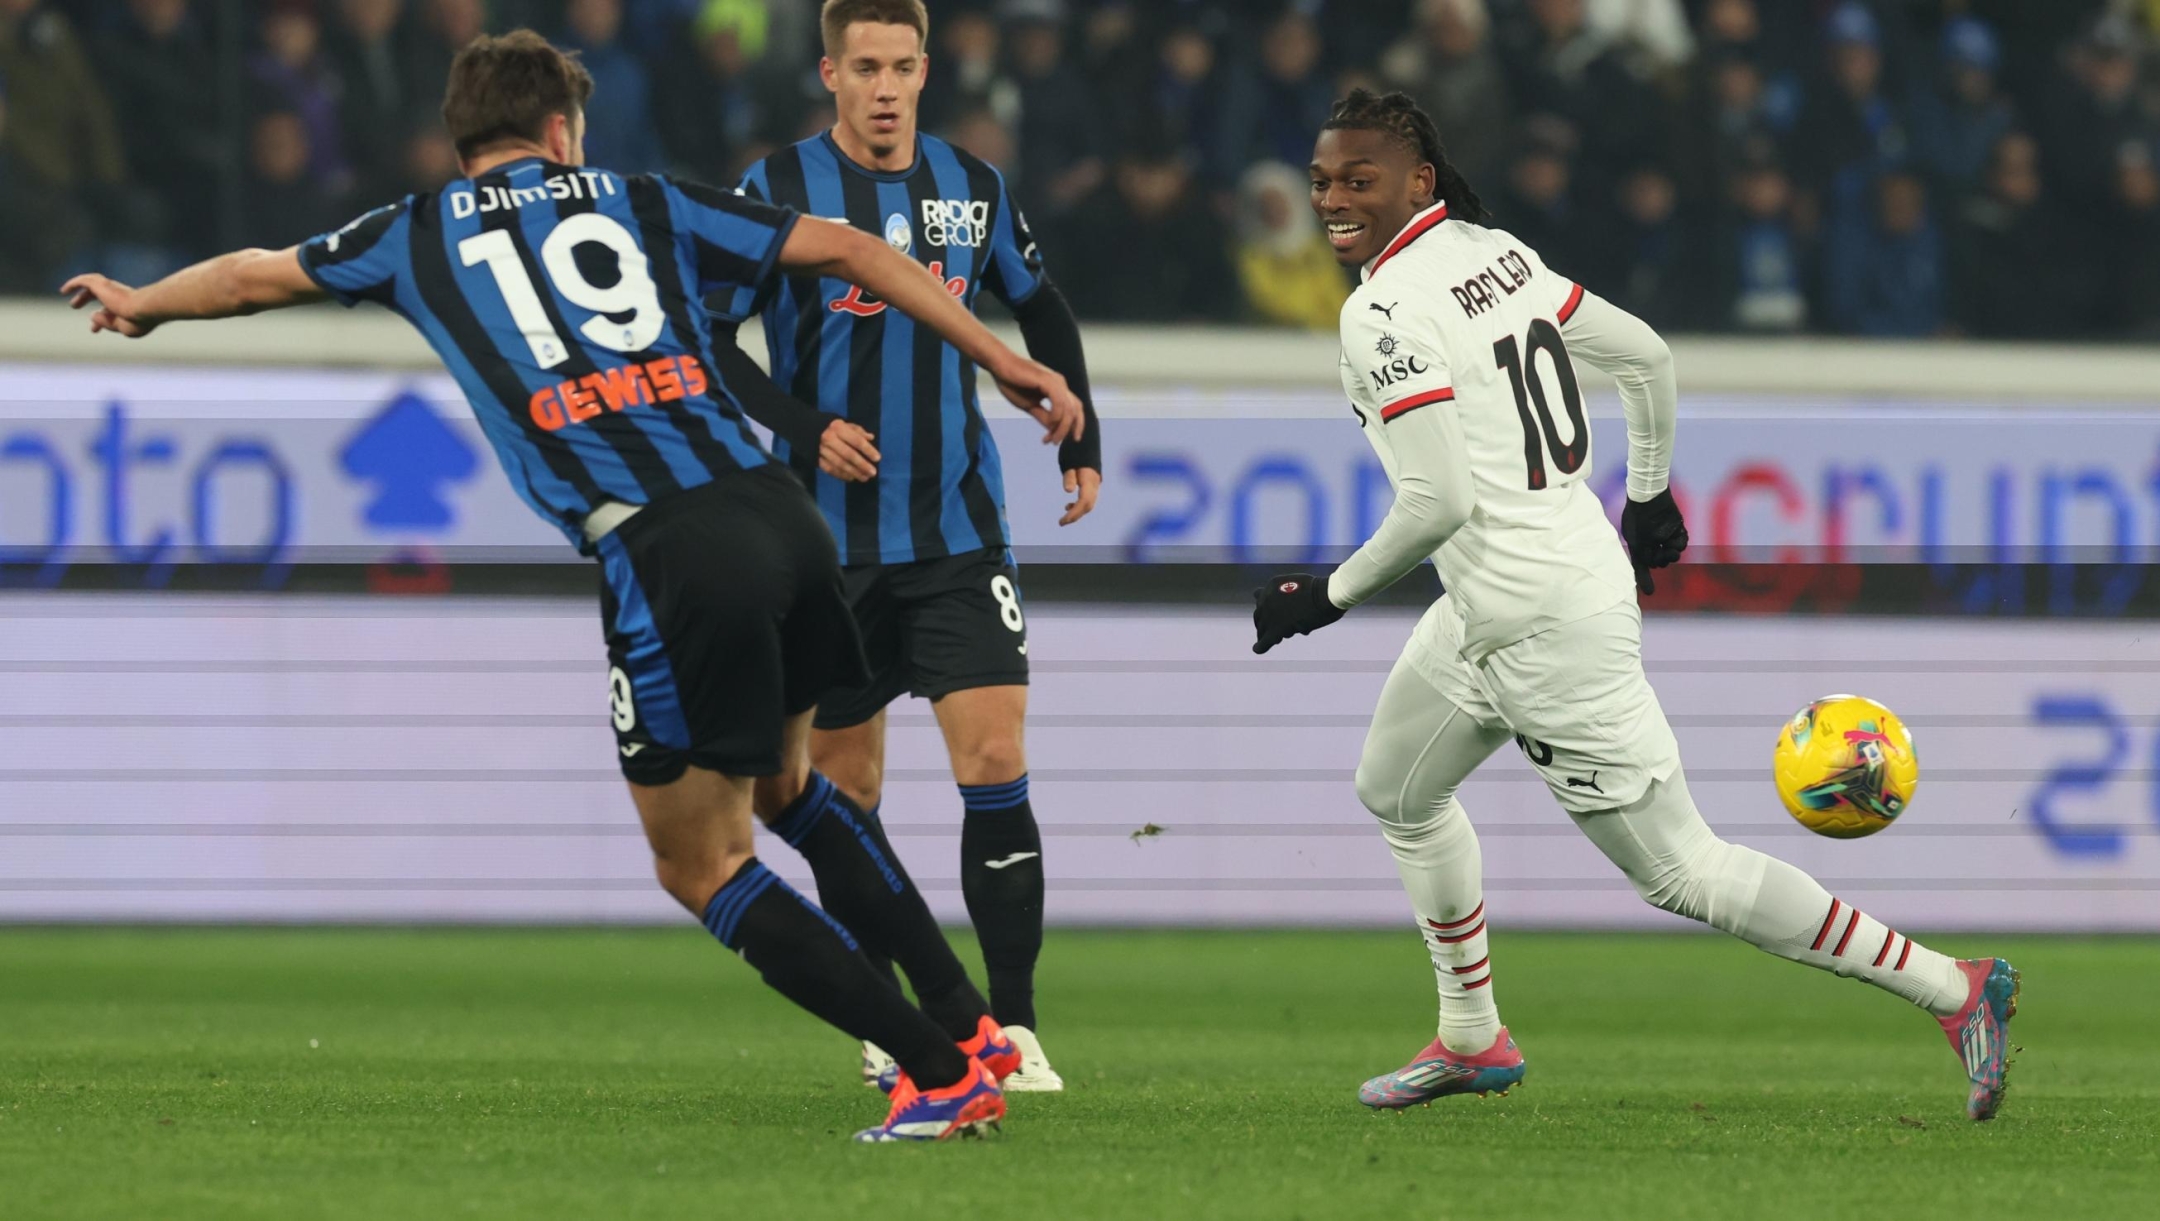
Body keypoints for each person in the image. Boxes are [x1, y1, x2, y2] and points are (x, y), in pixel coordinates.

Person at [61, 28, 1087, 1145]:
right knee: (791, 788)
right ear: (561, 132)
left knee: (699, 860)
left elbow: (257, 273)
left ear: (466, 147)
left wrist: (144, 301)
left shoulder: (414, 233)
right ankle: (974, 1030)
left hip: (668, 549)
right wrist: (1000, 356)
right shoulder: (643, 197)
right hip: (782, 513)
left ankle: (937, 1073)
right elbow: (847, 249)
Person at [1260, 88, 2019, 1121]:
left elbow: (1436, 500)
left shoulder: (1383, 310)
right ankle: (1473, 1036)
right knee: (1396, 787)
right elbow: (1646, 358)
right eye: (1323, 180)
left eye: (1359, 179)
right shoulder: (1498, 254)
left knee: (1682, 872)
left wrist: (1326, 596)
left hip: (1539, 623)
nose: (1334, 199)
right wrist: (1650, 491)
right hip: (1515, 593)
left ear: (1418, 182)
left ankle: (1953, 987)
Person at [713, 0, 1102, 1093]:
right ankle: (896, 1025)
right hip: (826, 550)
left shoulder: (972, 189)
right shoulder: (775, 191)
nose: (884, 88)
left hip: (957, 531)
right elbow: (707, 339)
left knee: (994, 758)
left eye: (901, 68)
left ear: (925, 71)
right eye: (863, 68)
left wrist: (1085, 437)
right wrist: (803, 429)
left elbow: (1044, 306)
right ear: (829, 75)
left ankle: (1014, 1028)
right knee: (849, 790)